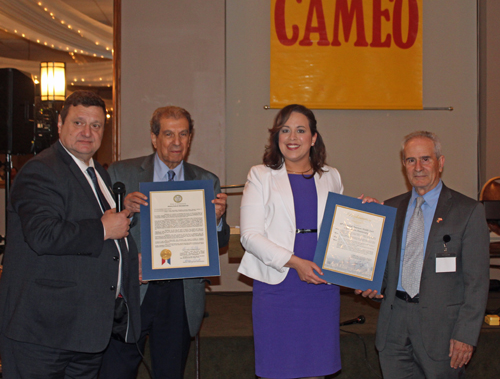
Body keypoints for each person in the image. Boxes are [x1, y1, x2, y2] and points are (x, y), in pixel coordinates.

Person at [0, 91, 140, 378]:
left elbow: (101, 234)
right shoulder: (40, 169)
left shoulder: (97, 174)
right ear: (60, 123)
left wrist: (127, 262)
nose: (87, 132)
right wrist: (103, 228)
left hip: (84, 331)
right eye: (78, 123)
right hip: (43, 333)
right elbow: (43, 234)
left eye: (96, 125)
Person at [100, 105, 230, 379]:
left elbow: (219, 242)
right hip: (134, 289)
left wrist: (216, 220)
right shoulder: (121, 173)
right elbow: (99, 231)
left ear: (190, 137)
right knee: (117, 370)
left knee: (170, 373)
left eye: (183, 134)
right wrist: (124, 209)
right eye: (169, 134)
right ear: (154, 137)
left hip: (180, 294)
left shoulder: (207, 181)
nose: (176, 142)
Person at [357, 131, 490, 378]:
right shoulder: (391, 207)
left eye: (425, 159)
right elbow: (386, 270)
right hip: (393, 328)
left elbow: (478, 283)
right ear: (403, 165)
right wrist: (372, 286)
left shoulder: (468, 212)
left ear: (440, 162)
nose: (418, 167)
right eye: (410, 160)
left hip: (443, 333)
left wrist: (466, 335)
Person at [238, 104, 343, 379]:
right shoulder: (260, 175)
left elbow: (341, 229)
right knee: (278, 370)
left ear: (313, 138)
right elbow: (249, 236)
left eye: (300, 130)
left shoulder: (331, 176)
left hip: (321, 286)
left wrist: (366, 210)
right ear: (276, 137)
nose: (292, 137)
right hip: (278, 285)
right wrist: (296, 263)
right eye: (285, 130)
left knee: (316, 370)